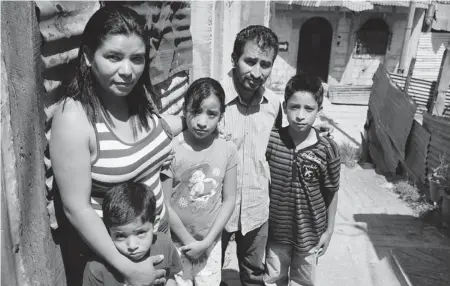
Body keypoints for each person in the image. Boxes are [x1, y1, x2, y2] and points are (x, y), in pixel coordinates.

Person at [48, 6, 183, 286]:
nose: (127, 71)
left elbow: (159, 134)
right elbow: (77, 209)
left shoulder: (138, 96)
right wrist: (129, 269)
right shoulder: (74, 117)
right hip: (116, 261)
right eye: (113, 57)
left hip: (156, 239)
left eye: (137, 59)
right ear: (87, 56)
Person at [219, 25, 334, 286]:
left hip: (257, 210)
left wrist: (316, 136)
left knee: (254, 276)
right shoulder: (213, 98)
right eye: (249, 61)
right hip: (216, 210)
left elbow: (290, 137)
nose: (256, 72)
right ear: (234, 58)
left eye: (265, 64)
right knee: (210, 275)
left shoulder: (273, 105)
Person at [263, 72, 341, 286]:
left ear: (319, 111)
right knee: (273, 279)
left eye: (309, 109)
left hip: (310, 235)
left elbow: (332, 191)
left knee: (303, 282)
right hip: (276, 233)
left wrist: (329, 230)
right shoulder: (272, 141)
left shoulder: (327, 149)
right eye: (294, 107)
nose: (300, 115)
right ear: (285, 106)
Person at [162, 78, 237, 286]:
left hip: (211, 244)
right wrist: (189, 242)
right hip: (178, 244)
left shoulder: (227, 149)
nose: (202, 122)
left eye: (211, 114)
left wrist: (205, 243)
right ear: (184, 110)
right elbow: (165, 203)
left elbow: (230, 199)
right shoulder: (170, 151)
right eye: (195, 111)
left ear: (221, 115)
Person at [83, 182, 182, 286]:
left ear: (155, 223)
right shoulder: (96, 268)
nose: (132, 246)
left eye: (140, 233)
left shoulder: (164, 244)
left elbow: (171, 276)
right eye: (120, 236)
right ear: (108, 231)